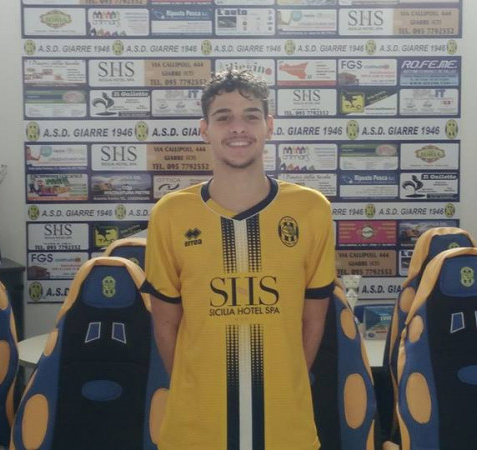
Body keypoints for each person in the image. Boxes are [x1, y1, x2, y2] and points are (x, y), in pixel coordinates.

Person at [142, 69, 336, 449]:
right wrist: (200, 390)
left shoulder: (311, 210)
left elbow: (312, 322)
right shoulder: (171, 214)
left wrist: (282, 384)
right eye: (223, 117)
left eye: (250, 115)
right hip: (194, 432)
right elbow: (166, 326)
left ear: (269, 126)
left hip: (286, 429)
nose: (238, 127)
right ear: (204, 130)